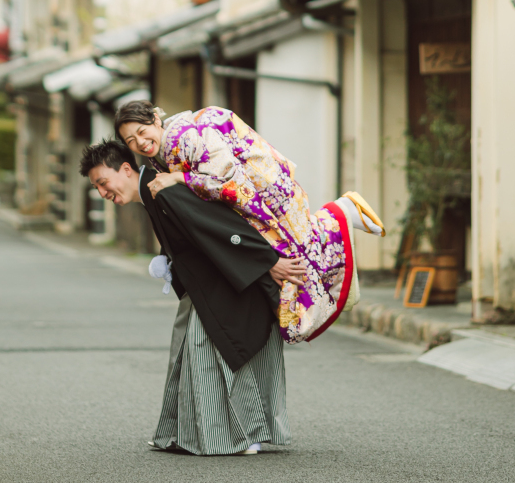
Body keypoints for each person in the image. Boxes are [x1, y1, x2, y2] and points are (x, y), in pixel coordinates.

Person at [81, 138, 305, 457]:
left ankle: (243, 436)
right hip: (210, 285)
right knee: (187, 353)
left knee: (211, 355)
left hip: (229, 284)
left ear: (126, 169)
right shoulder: (154, 193)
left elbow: (221, 227)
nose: (103, 192)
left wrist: (269, 261)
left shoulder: (165, 191)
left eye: (103, 182)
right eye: (98, 188)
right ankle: (186, 434)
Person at [115, 100, 385, 344]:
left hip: (266, 194)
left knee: (298, 263)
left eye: (142, 131)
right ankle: (341, 218)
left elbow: (227, 179)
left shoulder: (184, 138)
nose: (140, 142)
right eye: (130, 141)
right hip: (254, 200)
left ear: (156, 120)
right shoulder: (165, 151)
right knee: (298, 265)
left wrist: (179, 179)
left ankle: (340, 214)